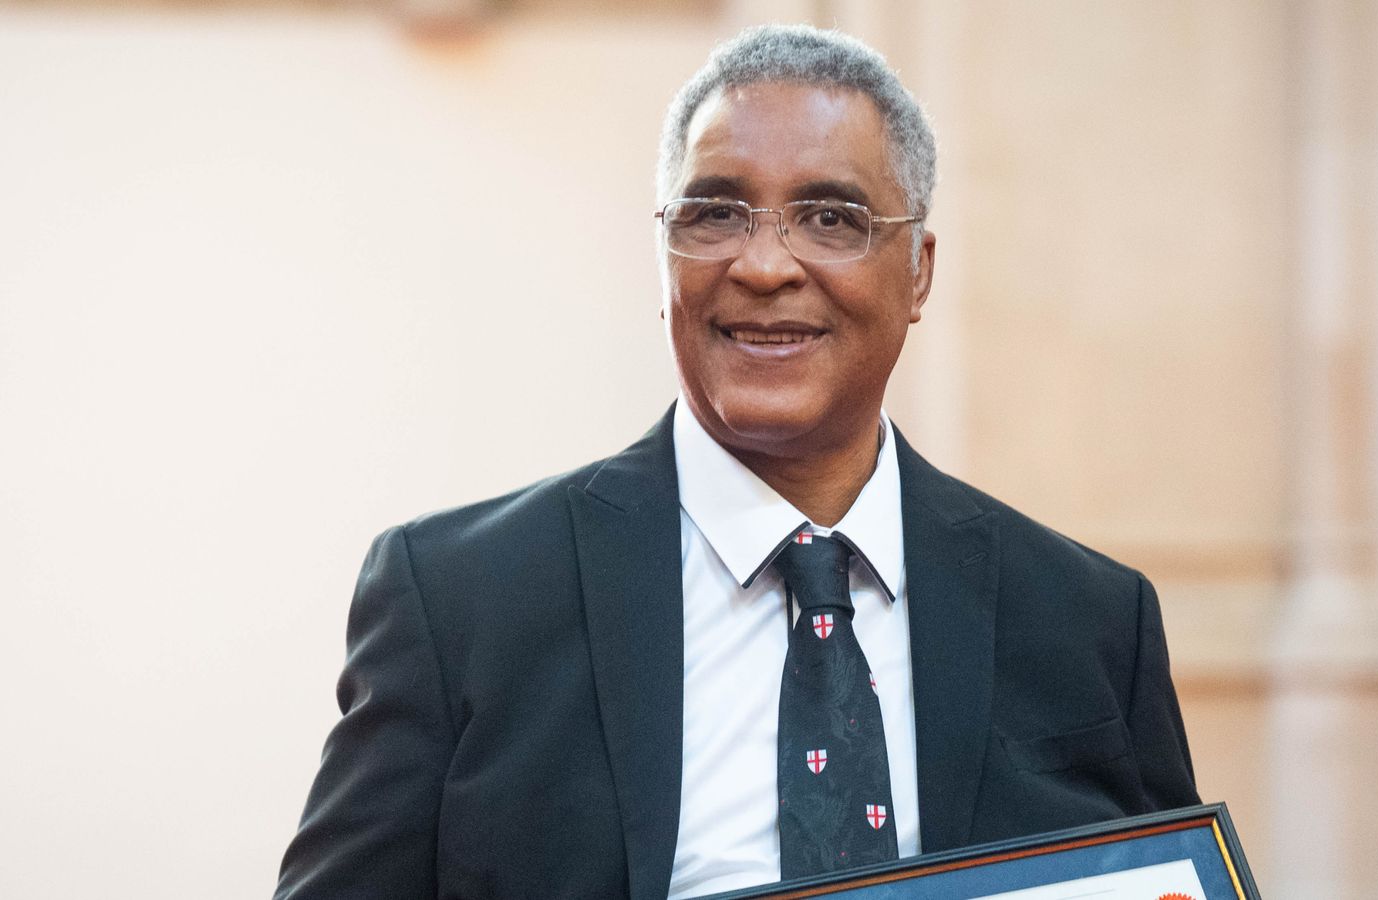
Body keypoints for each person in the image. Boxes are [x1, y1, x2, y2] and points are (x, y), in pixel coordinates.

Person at [274, 23, 1199, 900]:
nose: (763, 266)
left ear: (917, 271)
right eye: (715, 213)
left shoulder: (1089, 623)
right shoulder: (460, 602)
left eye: (831, 219)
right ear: (664, 253)